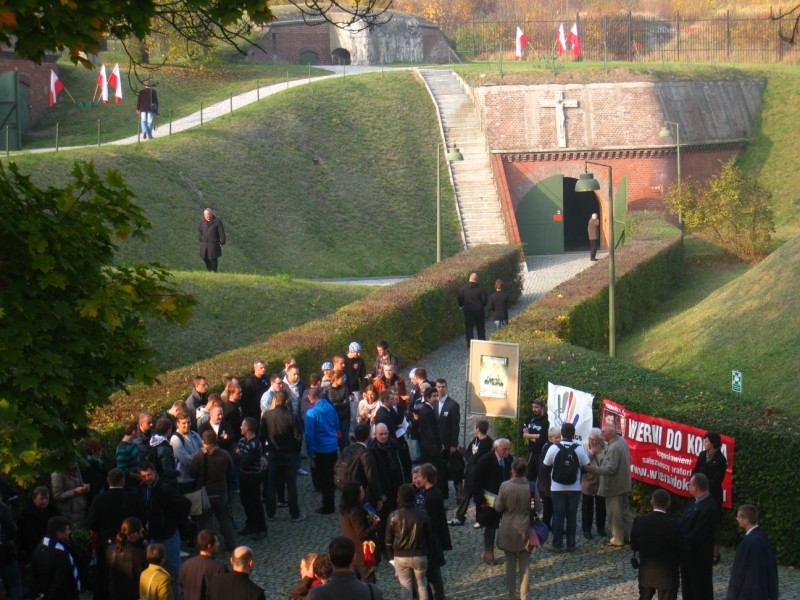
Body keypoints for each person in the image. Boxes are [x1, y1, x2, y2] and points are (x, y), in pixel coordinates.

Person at [87, 468, 147, 600]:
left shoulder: (99, 499)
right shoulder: (134, 498)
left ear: (108, 481)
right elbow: (144, 518)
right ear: (123, 481)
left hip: (106, 543)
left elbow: (91, 523)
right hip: (131, 542)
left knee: (106, 575)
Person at [138, 460, 190, 600]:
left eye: (149, 475)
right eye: (143, 476)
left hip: (167, 533)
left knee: (173, 571)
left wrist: (173, 521)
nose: (147, 478)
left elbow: (184, 503)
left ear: (155, 472)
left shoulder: (164, 488)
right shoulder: (144, 488)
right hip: (154, 533)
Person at [542, 422, 590, 553]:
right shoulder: (579, 449)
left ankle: (557, 544)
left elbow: (545, 466)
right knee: (572, 516)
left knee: (558, 516)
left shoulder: (554, 448)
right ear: (574, 433)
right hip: (575, 488)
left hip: (557, 488)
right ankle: (571, 544)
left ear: (562, 434)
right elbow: (587, 466)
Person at [260, 391, 305, 522]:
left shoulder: (267, 416)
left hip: (273, 454)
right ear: (286, 401)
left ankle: (270, 513)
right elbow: (298, 438)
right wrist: (296, 452)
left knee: (271, 485)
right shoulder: (292, 417)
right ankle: (294, 513)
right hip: (289, 454)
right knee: (291, 485)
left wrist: (264, 453)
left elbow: (262, 437)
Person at [630, 489, 683, 600]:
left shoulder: (639, 521)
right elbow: (681, 549)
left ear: (652, 502)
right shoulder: (675, 525)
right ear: (668, 504)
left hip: (646, 573)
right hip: (668, 576)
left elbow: (634, 545)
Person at [495, 458, 536, 600]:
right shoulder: (531, 487)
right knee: (525, 564)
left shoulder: (504, 486)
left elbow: (498, 507)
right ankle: (525, 595)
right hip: (526, 526)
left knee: (510, 563)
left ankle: (512, 595)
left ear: (512, 471)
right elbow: (538, 507)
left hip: (508, 526)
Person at [188, 430, 236, 551]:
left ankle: (206, 546)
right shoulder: (225, 454)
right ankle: (230, 544)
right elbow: (231, 473)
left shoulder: (200, 455)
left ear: (203, 442)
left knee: (205, 523)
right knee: (225, 519)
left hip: (205, 494)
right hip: (221, 492)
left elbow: (192, 473)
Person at [589, 422, 633, 547]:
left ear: (611, 433)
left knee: (614, 514)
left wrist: (593, 469)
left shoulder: (614, 447)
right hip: (623, 484)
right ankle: (629, 536)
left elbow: (610, 469)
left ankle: (617, 539)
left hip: (614, 486)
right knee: (625, 512)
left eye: (603, 432)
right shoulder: (622, 441)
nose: (601, 433)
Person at [385, 484, 431, 600]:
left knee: (405, 586)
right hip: (420, 554)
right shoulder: (422, 514)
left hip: (401, 556)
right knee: (421, 584)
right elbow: (429, 536)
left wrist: (391, 556)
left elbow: (388, 540)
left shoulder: (393, 516)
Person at [680, 473, 721, 600]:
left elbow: (698, 533)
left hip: (699, 558)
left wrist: (680, 541)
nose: (688, 486)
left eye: (689, 484)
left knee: (700, 590)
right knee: (688, 589)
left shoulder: (709, 507)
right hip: (688, 556)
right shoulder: (694, 502)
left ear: (695, 487)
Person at [472, 438, 513, 564]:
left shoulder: (509, 459)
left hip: (504, 497)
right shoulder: (485, 460)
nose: (506, 452)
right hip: (489, 498)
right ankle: (488, 553)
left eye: (508, 449)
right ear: (496, 448)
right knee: (490, 526)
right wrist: (480, 499)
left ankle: (510, 550)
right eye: (504, 449)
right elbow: (476, 481)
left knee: (508, 524)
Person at [726, 504, 779, 600]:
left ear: (746, 520)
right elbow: (771, 567)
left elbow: (739, 572)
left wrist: (731, 597)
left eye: (738, 517)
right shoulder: (762, 536)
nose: (736, 519)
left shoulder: (748, 542)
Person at [691, 430, 728, 564]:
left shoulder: (721, 460)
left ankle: (715, 553)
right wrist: (694, 481)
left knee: (714, 524)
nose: (704, 443)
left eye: (706, 441)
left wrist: (703, 488)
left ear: (713, 443)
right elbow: (695, 470)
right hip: (700, 494)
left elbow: (717, 480)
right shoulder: (702, 455)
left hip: (712, 495)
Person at [309, 536, 383, 599]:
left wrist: (307, 578)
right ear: (354, 558)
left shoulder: (317, 594)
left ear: (330, 559)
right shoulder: (373, 592)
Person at [450, 419, 493, 526]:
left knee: (478, 497)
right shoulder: (475, 440)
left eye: (475, 427)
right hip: (469, 473)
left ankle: (480, 519)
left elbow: (474, 458)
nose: (474, 428)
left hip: (478, 475)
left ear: (478, 428)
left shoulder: (487, 443)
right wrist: (468, 456)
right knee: (465, 496)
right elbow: (469, 452)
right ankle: (460, 516)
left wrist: (467, 456)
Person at [418, 463, 451, 600]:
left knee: (433, 570)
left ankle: (438, 596)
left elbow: (432, 522)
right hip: (434, 537)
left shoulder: (431, 497)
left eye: (419, 476)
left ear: (425, 478)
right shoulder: (433, 492)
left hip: (432, 539)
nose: (418, 479)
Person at [305, 387, 340, 515]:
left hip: (320, 449)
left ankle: (328, 506)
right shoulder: (330, 408)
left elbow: (309, 435)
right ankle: (330, 503)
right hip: (332, 446)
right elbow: (337, 424)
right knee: (330, 476)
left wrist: (310, 452)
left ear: (310, 398)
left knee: (324, 479)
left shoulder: (311, 413)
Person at [233, 417, 268, 539]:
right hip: (244, 476)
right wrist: (240, 456)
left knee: (255, 503)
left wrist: (240, 455)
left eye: (242, 425)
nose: (240, 427)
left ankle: (261, 528)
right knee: (245, 502)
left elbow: (244, 461)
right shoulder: (243, 440)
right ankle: (250, 525)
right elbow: (236, 454)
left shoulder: (255, 444)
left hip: (253, 477)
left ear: (247, 428)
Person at [338, 481, 381, 583]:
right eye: (361, 491)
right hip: (362, 556)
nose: (364, 493)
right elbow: (361, 534)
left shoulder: (345, 510)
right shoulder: (356, 512)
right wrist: (374, 525)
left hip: (352, 553)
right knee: (368, 583)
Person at [31, 516, 80, 600]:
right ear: (59, 533)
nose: (69, 532)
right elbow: (60, 582)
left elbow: (34, 576)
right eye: (67, 530)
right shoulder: (61, 554)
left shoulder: (39, 547)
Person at [106, 517, 148, 600]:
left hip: (114, 595)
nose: (141, 535)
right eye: (140, 532)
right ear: (135, 534)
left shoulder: (110, 550)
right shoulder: (141, 555)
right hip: (133, 595)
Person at [178, 530, 227, 600]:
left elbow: (181, 589)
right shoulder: (219, 568)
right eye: (216, 542)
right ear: (209, 546)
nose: (218, 544)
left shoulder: (186, 565)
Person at [434, 379, 460, 500]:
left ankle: (454, 492)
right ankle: (442, 492)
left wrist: (454, 444)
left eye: (443, 387)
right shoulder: (433, 403)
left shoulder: (452, 405)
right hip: (436, 444)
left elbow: (455, 426)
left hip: (447, 443)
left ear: (446, 387)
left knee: (449, 469)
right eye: (438, 387)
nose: (440, 389)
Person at [581, 427, 607, 540]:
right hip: (588, 480)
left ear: (600, 439)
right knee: (587, 506)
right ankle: (586, 529)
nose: (593, 441)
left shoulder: (606, 446)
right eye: (591, 439)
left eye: (595, 439)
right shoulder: (584, 445)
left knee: (601, 506)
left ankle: (601, 528)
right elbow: (582, 461)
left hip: (601, 480)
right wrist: (592, 452)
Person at [170, 411, 203, 494]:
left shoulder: (194, 434)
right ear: (178, 424)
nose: (187, 425)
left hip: (198, 477)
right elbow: (187, 460)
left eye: (189, 422)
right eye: (183, 423)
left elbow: (206, 449)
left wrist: (200, 453)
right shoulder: (176, 439)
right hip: (185, 480)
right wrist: (200, 454)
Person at [50, 462, 89, 529]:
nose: (74, 471)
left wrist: (84, 487)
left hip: (81, 509)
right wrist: (74, 491)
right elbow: (57, 496)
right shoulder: (58, 474)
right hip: (68, 512)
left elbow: (80, 482)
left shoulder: (76, 468)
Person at [537, 426, 561, 529]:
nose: (559, 440)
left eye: (559, 437)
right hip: (546, 480)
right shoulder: (550, 447)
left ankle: (547, 523)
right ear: (550, 438)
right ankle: (546, 524)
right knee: (548, 503)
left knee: (549, 503)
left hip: (546, 479)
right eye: (556, 438)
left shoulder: (548, 445)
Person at [521, 398, 549, 483]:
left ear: (542, 408)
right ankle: (531, 495)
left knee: (542, 476)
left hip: (542, 452)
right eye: (533, 407)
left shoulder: (546, 420)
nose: (534, 409)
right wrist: (536, 436)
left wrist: (528, 435)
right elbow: (522, 433)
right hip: (531, 451)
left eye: (536, 407)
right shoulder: (530, 418)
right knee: (528, 476)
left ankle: (541, 496)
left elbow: (543, 438)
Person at [457, 272, 488, 346]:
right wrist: (482, 305)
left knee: (469, 328)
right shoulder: (481, 289)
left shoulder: (463, 289)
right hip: (479, 311)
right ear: (477, 280)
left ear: (469, 279)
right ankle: (482, 343)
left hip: (468, 311)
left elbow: (459, 299)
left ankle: (470, 344)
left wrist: (461, 306)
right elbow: (484, 301)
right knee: (480, 327)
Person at [198, 208, 226, 272]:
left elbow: (221, 232)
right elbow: (199, 231)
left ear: (211, 214)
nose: (207, 216)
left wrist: (222, 241)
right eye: (205, 215)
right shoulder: (202, 222)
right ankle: (209, 269)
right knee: (204, 257)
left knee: (213, 258)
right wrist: (200, 238)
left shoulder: (217, 221)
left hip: (213, 243)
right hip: (204, 243)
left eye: (208, 214)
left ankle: (214, 271)